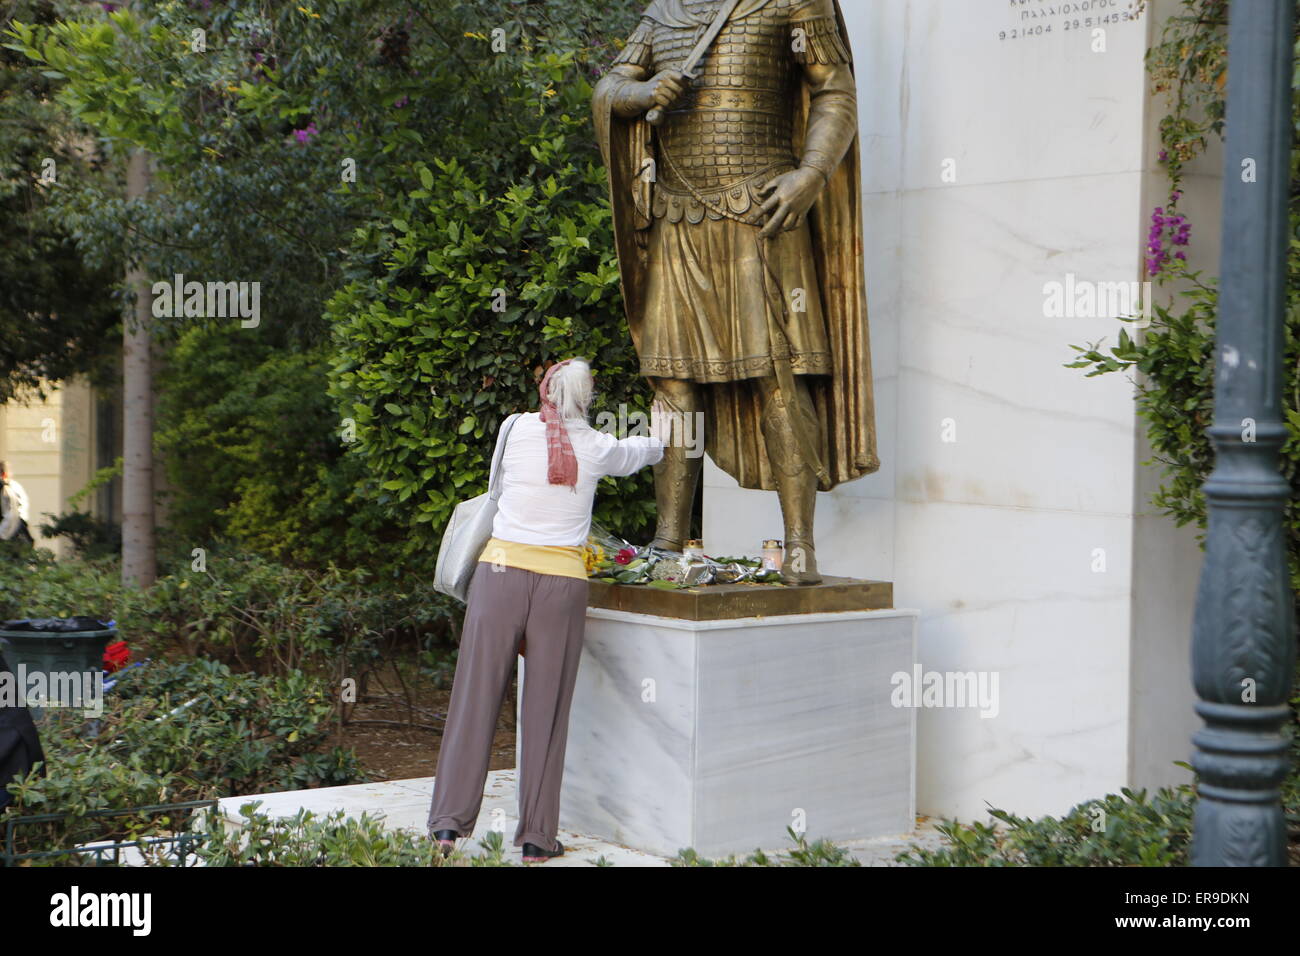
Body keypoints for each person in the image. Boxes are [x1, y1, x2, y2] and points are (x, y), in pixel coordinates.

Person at [426, 358, 667, 863]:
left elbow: (495, 488)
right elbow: (645, 451)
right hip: (562, 585)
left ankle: (447, 829)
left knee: (475, 696)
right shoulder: (598, 447)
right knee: (547, 712)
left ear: (545, 390)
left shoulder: (513, 428)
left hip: (499, 575)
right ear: (587, 399)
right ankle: (537, 839)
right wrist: (664, 421)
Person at [0, 462, 33, 545]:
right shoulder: (15, 486)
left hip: (12, 535)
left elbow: (11, 516)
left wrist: (1, 535)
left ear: (3, 474)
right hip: (19, 532)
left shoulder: (6, 489)